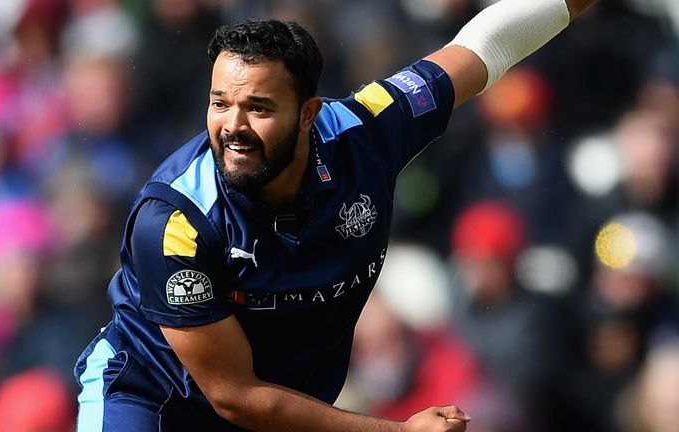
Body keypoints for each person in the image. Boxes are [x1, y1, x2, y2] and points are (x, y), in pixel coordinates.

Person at [74, 0, 598, 430]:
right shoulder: (176, 222)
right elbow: (235, 396)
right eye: (219, 104)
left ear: (309, 114)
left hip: (281, 411)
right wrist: (398, 431)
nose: (232, 127)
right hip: (149, 400)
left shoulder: (366, 130)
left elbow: (483, 48)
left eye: (258, 107)